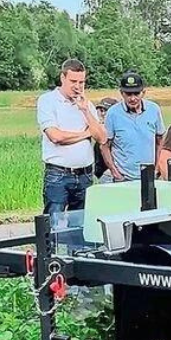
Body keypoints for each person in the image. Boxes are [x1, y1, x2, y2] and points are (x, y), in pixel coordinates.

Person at [36, 59, 108, 220]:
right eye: (73, 81)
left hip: (85, 175)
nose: (77, 86)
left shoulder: (87, 105)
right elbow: (56, 136)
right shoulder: (48, 101)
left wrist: (85, 111)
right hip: (58, 174)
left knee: (81, 223)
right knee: (54, 222)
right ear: (63, 78)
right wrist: (85, 134)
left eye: (81, 82)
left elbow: (102, 138)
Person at [101, 72, 166, 183]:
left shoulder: (154, 110)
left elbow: (160, 141)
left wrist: (156, 169)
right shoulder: (112, 113)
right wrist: (115, 173)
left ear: (143, 93)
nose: (132, 98)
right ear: (122, 93)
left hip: (149, 176)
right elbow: (104, 146)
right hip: (123, 177)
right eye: (128, 94)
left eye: (136, 94)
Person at [92, 97, 119, 181]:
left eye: (106, 111)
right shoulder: (99, 131)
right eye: (101, 110)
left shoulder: (118, 131)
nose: (103, 114)